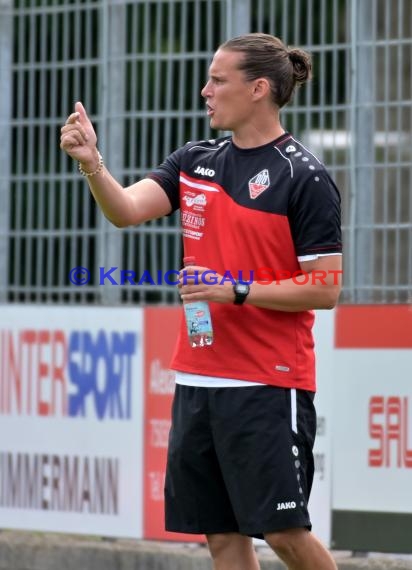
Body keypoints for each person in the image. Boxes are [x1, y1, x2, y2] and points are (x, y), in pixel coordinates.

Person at [61, 33, 342, 570]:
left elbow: (325, 288)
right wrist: (92, 163)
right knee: (222, 537)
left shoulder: (302, 176)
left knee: (284, 533)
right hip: (197, 379)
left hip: (267, 380)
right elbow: (125, 210)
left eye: (218, 80)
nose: (204, 91)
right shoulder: (195, 159)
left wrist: (233, 289)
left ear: (258, 88)